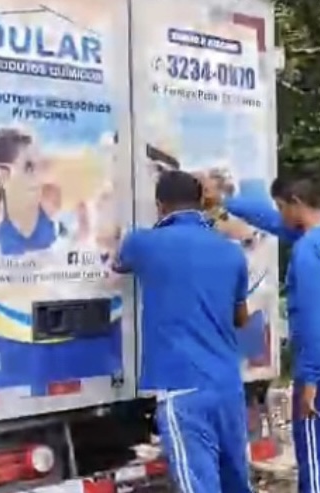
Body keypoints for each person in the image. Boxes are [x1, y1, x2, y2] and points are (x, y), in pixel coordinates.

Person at [225, 170, 320, 493]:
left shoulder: (306, 251)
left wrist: (309, 381)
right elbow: (273, 222)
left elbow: (312, 321)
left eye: (281, 207)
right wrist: (226, 202)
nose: (279, 215)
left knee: (317, 461)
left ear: (295, 202)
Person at [113, 170, 252, 493]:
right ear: (201, 201)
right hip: (228, 386)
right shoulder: (232, 252)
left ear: (160, 206)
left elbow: (119, 263)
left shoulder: (142, 243)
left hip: (183, 389)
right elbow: (241, 318)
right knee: (235, 483)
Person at [0, 126, 66, 255]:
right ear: (3, 173)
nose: (38, 176)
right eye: (29, 167)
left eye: (40, 165)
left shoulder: (56, 221)